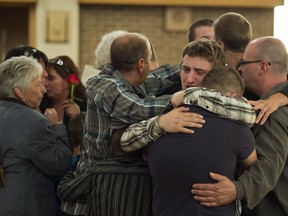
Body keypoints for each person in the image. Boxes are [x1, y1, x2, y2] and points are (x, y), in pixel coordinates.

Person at [57, 32, 200, 216]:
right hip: (85, 203)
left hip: (110, 195)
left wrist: (189, 67)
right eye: (149, 60)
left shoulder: (129, 81)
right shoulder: (104, 86)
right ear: (141, 64)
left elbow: (159, 77)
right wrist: (175, 101)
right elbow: (137, 108)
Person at [191, 36, 288, 216]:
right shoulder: (274, 102)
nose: (240, 68)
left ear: (263, 67)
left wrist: (238, 190)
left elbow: (268, 165)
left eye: (244, 62)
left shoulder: (270, 112)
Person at [147, 65, 257, 216]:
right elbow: (254, 167)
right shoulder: (238, 131)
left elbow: (146, 155)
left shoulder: (164, 122)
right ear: (232, 97)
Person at [121, 38, 255, 153]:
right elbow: (125, 141)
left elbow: (248, 114)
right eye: (186, 70)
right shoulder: (167, 97)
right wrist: (160, 123)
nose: (190, 79)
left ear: (216, 74)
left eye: (199, 72)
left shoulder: (233, 101)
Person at [0, 56, 72, 216]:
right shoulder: (34, 121)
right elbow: (59, 164)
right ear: (20, 92)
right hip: (26, 206)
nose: (44, 89)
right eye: (38, 83)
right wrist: (57, 126)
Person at [42, 55, 87, 127]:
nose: (45, 83)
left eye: (51, 79)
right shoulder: (42, 102)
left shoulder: (84, 104)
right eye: (44, 78)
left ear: (68, 80)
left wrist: (78, 117)